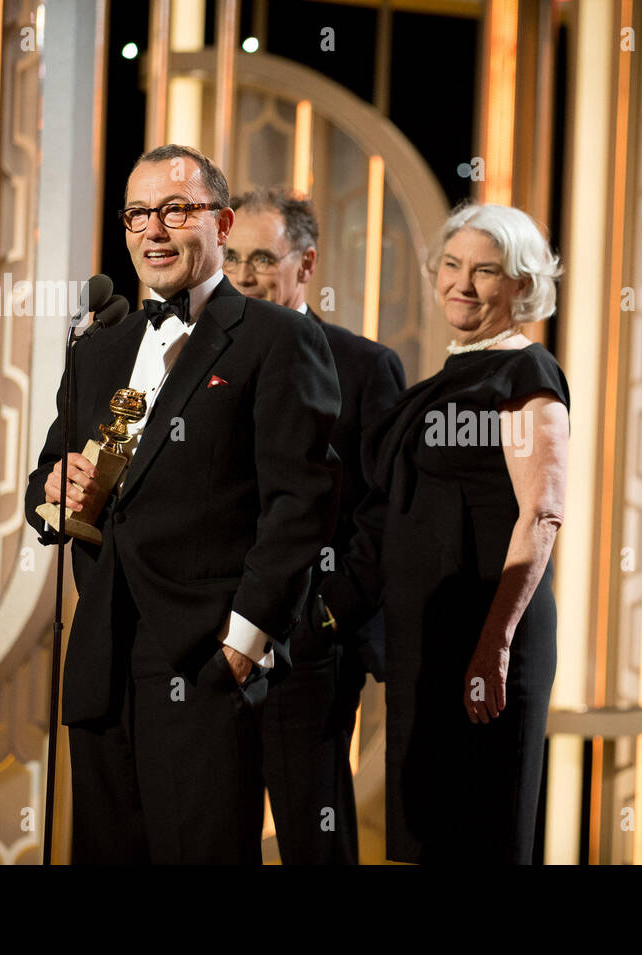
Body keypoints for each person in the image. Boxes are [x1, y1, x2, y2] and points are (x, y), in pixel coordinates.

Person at [23, 144, 341, 864]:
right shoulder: (100, 345)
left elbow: (301, 501)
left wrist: (243, 644)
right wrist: (52, 490)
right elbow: (47, 472)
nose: (154, 230)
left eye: (176, 210)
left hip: (204, 660)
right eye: (139, 213)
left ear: (222, 222)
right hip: (103, 657)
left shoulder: (278, 339)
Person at [319, 203, 569, 863]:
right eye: (452, 265)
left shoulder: (524, 372)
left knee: (478, 836)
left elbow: (541, 512)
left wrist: (494, 647)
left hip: (484, 637)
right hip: (428, 640)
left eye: (485, 270)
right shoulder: (448, 374)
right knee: (430, 834)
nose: (463, 282)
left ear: (521, 284)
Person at [225, 186, 405, 864]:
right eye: (233, 256)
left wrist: (326, 613)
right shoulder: (192, 363)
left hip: (309, 648)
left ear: (307, 263)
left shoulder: (363, 367)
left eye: (263, 258)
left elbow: (383, 512)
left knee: (314, 835)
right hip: (207, 641)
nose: (244, 275)